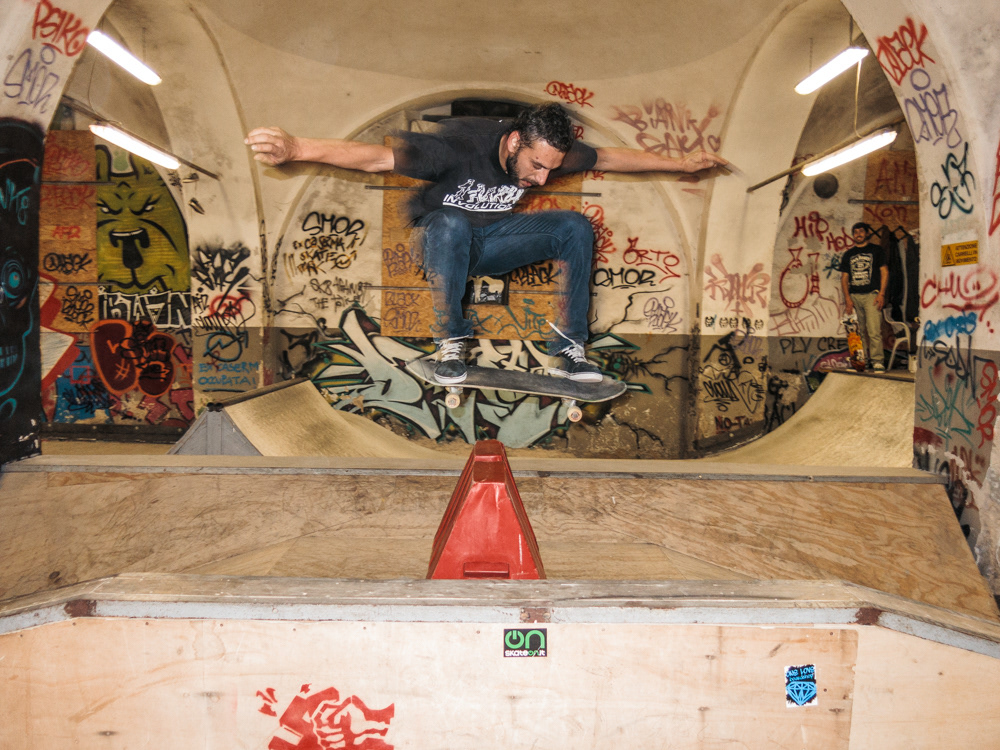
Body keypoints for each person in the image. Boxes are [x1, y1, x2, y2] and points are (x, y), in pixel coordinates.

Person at [245, 103, 727, 384]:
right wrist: (297, 148)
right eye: (536, 166)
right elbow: (375, 158)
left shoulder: (550, 153)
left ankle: (569, 349)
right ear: (515, 142)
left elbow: (611, 159)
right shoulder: (456, 147)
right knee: (453, 222)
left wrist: (681, 165)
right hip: (437, 242)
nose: (542, 179)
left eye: (552, 169)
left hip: (490, 243)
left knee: (575, 227)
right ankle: (451, 341)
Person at [840, 222, 888, 372]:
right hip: (854, 296)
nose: (858, 234)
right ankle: (860, 362)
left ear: (867, 233)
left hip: (872, 295)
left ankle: (877, 361)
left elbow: (884, 272)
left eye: (861, 231)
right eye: (855, 232)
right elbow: (844, 278)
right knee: (856, 332)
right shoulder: (848, 254)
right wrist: (847, 299)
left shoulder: (876, 250)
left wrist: (881, 293)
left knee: (874, 331)